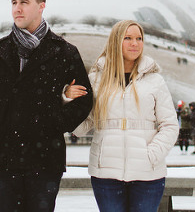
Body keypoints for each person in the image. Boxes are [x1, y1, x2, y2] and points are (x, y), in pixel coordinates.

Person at [0, 0, 93, 212]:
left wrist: (54, 124)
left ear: (41, 6)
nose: (17, 8)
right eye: (14, 2)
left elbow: (84, 99)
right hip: (4, 158)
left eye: (24, 2)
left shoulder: (64, 52)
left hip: (45, 159)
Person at [72, 20, 179, 212]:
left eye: (139, 38)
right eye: (127, 38)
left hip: (148, 176)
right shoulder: (96, 79)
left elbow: (170, 125)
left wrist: (151, 156)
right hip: (106, 174)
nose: (135, 43)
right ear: (115, 42)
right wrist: (67, 100)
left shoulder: (155, 80)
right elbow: (82, 126)